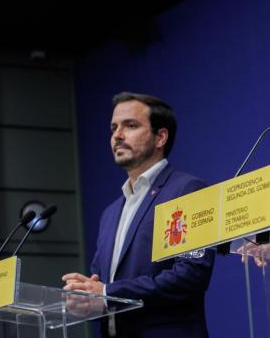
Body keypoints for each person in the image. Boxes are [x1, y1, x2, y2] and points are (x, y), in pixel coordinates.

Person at [62, 92, 215, 337]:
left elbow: (190, 275)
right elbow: (102, 283)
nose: (117, 136)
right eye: (113, 128)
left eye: (130, 126)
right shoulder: (110, 213)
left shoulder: (187, 190)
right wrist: (86, 298)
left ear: (160, 137)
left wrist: (105, 293)